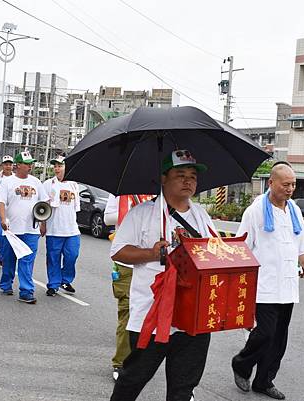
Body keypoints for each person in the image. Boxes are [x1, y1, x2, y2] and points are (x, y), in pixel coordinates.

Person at [110, 150, 214, 401]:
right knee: (134, 377)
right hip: (152, 314)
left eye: (192, 176)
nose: (188, 181)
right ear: (163, 178)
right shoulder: (143, 213)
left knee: (183, 386)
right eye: (180, 175)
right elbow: (119, 252)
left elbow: (213, 250)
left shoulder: (201, 215)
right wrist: (151, 253)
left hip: (192, 315)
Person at [231, 163, 304, 400]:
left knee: (279, 339)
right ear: (271, 183)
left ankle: (264, 381)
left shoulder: (294, 211)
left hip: (288, 286)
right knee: (265, 333)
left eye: (293, 184)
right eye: (286, 184)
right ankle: (241, 364)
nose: (290, 189)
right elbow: (243, 249)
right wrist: (242, 285)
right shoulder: (255, 211)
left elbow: (302, 247)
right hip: (263, 286)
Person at [104, 193, 152, 381]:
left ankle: (142, 360)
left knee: (149, 315)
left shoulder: (160, 192)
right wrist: (135, 211)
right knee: (128, 312)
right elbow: (108, 218)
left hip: (152, 263)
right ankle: (121, 362)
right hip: (127, 263)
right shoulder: (122, 191)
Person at [0, 151, 49, 304]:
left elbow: (43, 205)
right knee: (9, 259)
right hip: (12, 229)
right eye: (26, 163)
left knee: (27, 260)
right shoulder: (7, 182)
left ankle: (26, 291)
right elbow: (0, 202)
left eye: (31, 163)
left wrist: (43, 224)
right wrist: (3, 219)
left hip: (31, 229)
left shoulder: (36, 182)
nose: (29, 166)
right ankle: (6, 284)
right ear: (18, 165)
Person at [42, 155, 81, 296]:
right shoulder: (48, 184)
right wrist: (43, 224)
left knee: (72, 255)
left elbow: (76, 207)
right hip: (54, 229)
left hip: (71, 229)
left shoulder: (74, 185)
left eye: (60, 166)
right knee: (53, 258)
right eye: (55, 166)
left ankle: (65, 279)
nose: (57, 168)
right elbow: (43, 207)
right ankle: (53, 284)